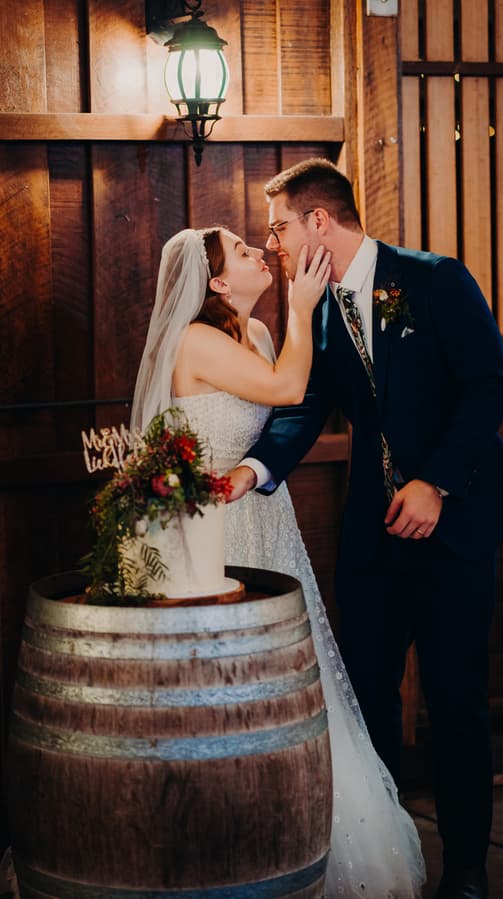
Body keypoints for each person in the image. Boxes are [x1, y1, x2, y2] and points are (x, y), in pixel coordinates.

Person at [227, 159, 503, 899]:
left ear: (319, 223)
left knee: (456, 694)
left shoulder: (433, 279)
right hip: (374, 535)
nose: (273, 244)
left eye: (279, 227)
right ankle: (390, 860)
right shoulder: (321, 308)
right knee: (366, 697)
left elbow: (490, 382)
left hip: (454, 524)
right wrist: (253, 470)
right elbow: (304, 407)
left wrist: (436, 482)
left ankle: (466, 867)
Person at [130, 226, 426, 898]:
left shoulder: (257, 335)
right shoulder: (197, 340)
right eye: (239, 251)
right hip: (213, 531)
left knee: (291, 677)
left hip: (266, 516)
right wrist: (301, 303)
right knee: (226, 686)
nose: (257, 252)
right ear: (214, 283)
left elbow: (295, 403)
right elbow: (289, 390)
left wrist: (296, 317)